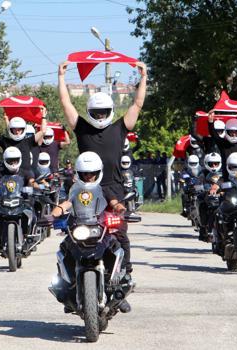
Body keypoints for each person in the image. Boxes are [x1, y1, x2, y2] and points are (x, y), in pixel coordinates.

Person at [59, 59, 147, 313]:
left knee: (119, 237)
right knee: (72, 236)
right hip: (85, 189)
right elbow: (66, 103)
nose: (99, 116)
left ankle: (123, 281)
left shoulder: (120, 128)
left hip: (115, 191)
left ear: (109, 111)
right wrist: (62, 77)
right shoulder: (82, 129)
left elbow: (137, 103)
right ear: (89, 112)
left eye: (102, 112)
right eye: (95, 113)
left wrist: (144, 76)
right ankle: (72, 284)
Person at [51, 152, 132, 313]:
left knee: (117, 246)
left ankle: (121, 289)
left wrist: (121, 209)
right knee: (64, 249)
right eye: (85, 174)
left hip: (100, 228)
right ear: (79, 173)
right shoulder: (75, 189)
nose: (89, 177)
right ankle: (66, 287)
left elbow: (114, 202)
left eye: (92, 173)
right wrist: (54, 213)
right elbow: (67, 203)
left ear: (98, 173)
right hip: (80, 228)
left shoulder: (104, 188)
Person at [0, 147, 36, 249]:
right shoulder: (1, 173)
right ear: (5, 161)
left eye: (15, 160)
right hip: (5, 201)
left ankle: (30, 237)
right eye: (10, 161)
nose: (13, 163)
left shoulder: (26, 172)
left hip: (22, 202)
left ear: (19, 159)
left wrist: (36, 188)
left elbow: (32, 182)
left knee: (32, 214)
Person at [0, 106, 47, 175]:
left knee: (35, 184)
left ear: (23, 130)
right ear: (11, 130)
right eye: (15, 129)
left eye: (19, 129)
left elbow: (43, 131)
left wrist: (43, 115)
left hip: (27, 178)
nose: (17, 132)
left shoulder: (28, 141)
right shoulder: (5, 142)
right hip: (9, 178)